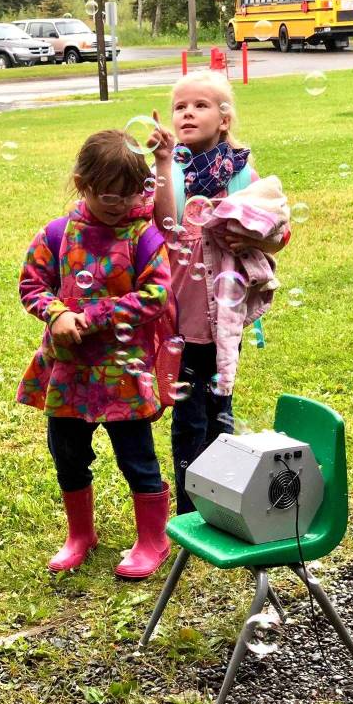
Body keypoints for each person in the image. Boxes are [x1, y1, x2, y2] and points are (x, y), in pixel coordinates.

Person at [17, 129, 174, 579]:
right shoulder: (56, 234)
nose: (121, 205)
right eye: (109, 196)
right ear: (81, 183)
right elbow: (31, 285)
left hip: (122, 369)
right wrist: (55, 312)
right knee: (66, 451)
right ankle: (80, 535)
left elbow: (156, 295)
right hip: (69, 368)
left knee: (136, 455)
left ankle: (152, 539)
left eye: (130, 195)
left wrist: (98, 313)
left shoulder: (143, 237)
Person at [150, 71, 291, 515]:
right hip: (181, 313)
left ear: (224, 119)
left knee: (219, 407)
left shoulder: (241, 169)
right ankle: (191, 511)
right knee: (187, 415)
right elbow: (163, 223)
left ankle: (220, 497)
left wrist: (250, 239)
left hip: (222, 311)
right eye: (180, 107)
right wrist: (161, 163)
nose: (187, 113)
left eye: (200, 105)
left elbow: (270, 226)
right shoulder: (171, 168)